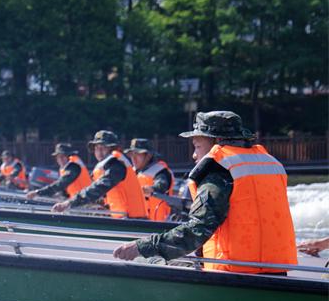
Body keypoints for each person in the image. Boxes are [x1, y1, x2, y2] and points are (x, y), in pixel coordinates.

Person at [114, 111, 297, 273]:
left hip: (233, 274)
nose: (194, 155)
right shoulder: (268, 163)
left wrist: (142, 246)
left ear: (216, 142)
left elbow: (198, 230)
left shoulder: (219, 172)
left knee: (147, 259)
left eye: (197, 146)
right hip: (275, 271)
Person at [53, 130, 148, 218]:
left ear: (112, 149)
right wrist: (100, 205)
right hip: (122, 218)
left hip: (133, 220)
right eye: (97, 148)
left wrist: (69, 203)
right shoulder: (106, 166)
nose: (99, 151)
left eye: (104, 147)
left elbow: (98, 187)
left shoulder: (117, 166)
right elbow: (107, 195)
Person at [127, 138, 175, 221]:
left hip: (158, 223)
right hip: (137, 220)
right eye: (132, 154)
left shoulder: (161, 171)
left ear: (148, 156)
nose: (133, 158)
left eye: (138, 154)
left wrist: (151, 189)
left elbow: (161, 185)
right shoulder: (132, 171)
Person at [26, 143, 91, 200]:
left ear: (68, 156)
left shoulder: (74, 167)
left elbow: (60, 184)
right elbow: (65, 189)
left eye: (63, 156)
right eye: (58, 157)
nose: (60, 159)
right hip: (77, 200)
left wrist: (38, 192)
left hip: (85, 201)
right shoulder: (65, 168)